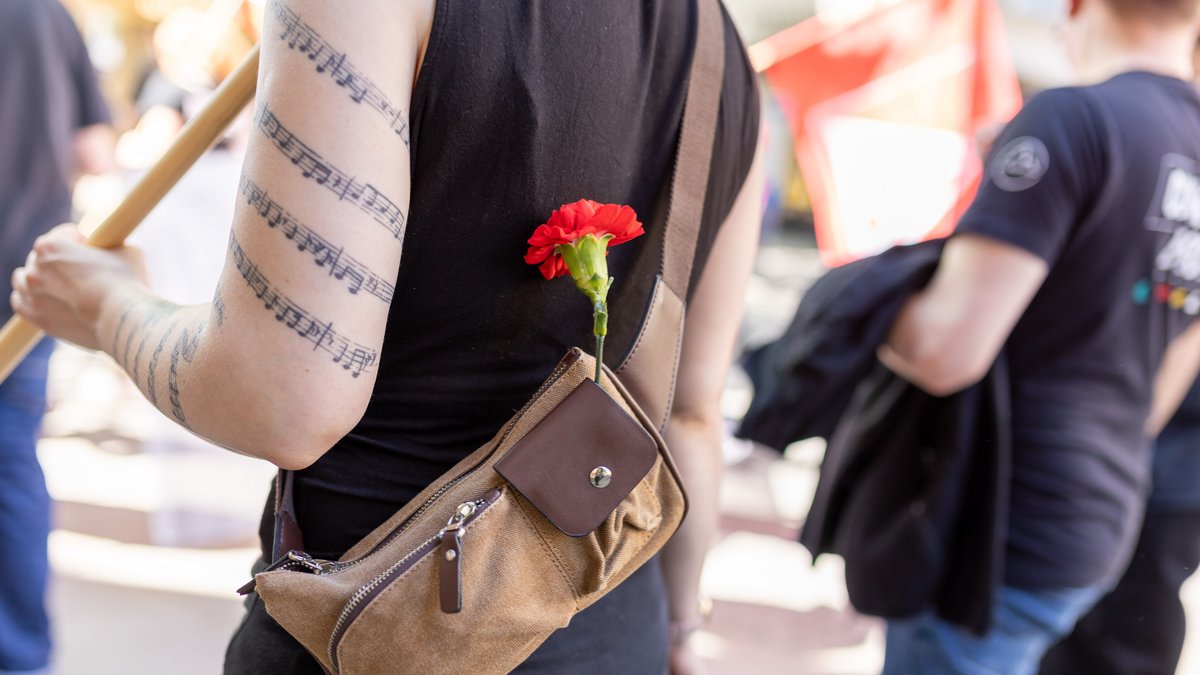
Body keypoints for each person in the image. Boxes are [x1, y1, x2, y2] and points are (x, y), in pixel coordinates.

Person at [9, 0, 764, 672]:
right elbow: (689, 412)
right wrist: (680, 623)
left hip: (377, 630)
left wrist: (105, 304)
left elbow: (282, 401)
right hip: (613, 628)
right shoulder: (720, 48)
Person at [875, 0, 1200, 673]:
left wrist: (852, 304)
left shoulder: (1073, 117)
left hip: (1000, 527)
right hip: (1096, 517)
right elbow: (1161, 386)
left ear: (1078, 9)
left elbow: (941, 352)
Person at [0, 1, 112, 672]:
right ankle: (19, 653)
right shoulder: (48, 13)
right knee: (10, 457)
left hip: (27, 278)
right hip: (25, 277)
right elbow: (92, 149)